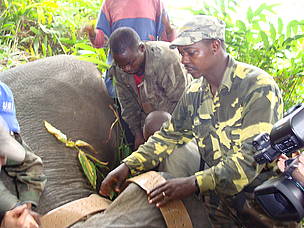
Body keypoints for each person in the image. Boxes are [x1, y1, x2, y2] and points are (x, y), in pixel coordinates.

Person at [99, 15, 299, 227]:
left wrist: (194, 183)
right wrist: (127, 166)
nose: (184, 60)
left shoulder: (257, 87)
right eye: (182, 53)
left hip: (264, 197)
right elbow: (169, 136)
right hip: (218, 197)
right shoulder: (195, 92)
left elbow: (250, 160)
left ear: (215, 46)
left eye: (191, 52)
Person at [108, 27, 191, 150]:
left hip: (177, 121)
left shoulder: (166, 60)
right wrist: (138, 135)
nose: (127, 69)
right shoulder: (118, 70)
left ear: (141, 48)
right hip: (148, 123)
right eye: (122, 65)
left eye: (130, 63)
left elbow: (183, 102)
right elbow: (128, 106)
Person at [83, 0, 176, 98]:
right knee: (123, 106)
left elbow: (166, 42)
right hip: (121, 72)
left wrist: (169, 30)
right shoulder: (109, 2)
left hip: (148, 71)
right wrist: (93, 34)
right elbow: (102, 41)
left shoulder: (155, 2)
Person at [0, 82, 47, 228]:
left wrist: (26, 206)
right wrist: (13, 207)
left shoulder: (9, 141)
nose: (3, 159)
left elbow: (31, 163)